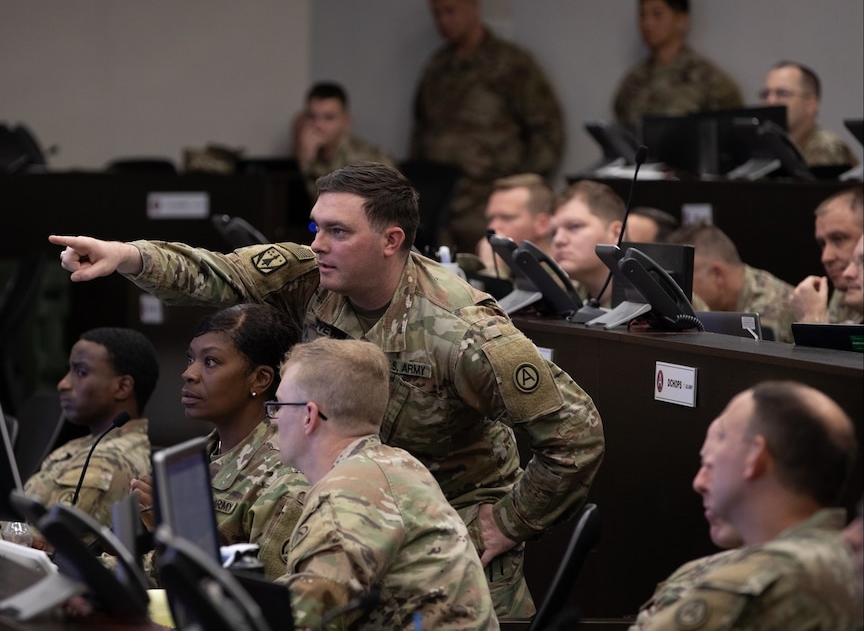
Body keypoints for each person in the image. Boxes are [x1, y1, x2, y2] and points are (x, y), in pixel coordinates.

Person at [50, 161, 606, 617]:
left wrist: (509, 521)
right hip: (353, 516)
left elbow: (576, 434)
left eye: (338, 232)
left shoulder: (462, 333)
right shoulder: (310, 278)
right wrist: (126, 256)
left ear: (391, 240)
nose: (318, 244)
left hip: (445, 538)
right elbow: (219, 272)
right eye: (316, 227)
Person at [272, 338, 498, 629]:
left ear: (309, 416)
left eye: (278, 404)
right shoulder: (397, 463)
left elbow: (303, 620)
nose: (275, 418)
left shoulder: (349, 495)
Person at [630, 380, 860, 629]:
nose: (698, 483)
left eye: (709, 463)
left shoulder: (755, 580)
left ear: (754, 456)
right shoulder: (847, 565)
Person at [133, 303, 308, 578]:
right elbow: (153, 569)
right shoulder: (193, 459)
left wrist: (169, 532)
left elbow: (262, 603)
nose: (189, 373)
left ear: (260, 379)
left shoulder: (285, 478)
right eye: (191, 358)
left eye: (210, 362)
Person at [411, 0, 565, 252]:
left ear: (474, 6)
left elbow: (547, 131)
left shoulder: (510, 64)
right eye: (437, 14)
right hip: (440, 208)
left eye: (450, 11)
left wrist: (521, 195)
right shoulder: (436, 69)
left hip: (490, 205)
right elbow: (421, 132)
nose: (443, 21)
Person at [23, 327, 158, 533]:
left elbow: (41, 544)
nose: (63, 384)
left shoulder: (105, 461)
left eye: (81, 372)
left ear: (122, 387)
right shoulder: (87, 443)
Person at [612, 0, 743, 136]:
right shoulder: (633, 80)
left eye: (657, 14)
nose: (647, 23)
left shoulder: (707, 78)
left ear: (682, 21)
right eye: (642, 15)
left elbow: (734, 131)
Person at [668, 223, 795, 342]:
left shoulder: (769, 306)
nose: (680, 287)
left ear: (717, 275)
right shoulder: (726, 301)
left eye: (686, 277)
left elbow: (750, 360)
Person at [294, 81, 396, 199]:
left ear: (345, 121)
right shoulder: (307, 153)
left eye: (328, 118)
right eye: (311, 117)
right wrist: (305, 162)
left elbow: (333, 206)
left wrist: (307, 165)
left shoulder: (369, 159)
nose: (318, 125)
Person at [760, 61, 858, 167]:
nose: (771, 101)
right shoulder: (770, 145)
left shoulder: (825, 147)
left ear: (810, 104)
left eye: (782, 93)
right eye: (766, 94)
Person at [790, 186, 864, 325]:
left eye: (839, 238)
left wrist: (813, 320)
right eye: (822, 244)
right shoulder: (842, 293)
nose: (826, 257)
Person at [550, 180, 624, 304]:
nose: (558, 240)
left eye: (574, 226)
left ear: (616, 233)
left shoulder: (645, 312)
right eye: (553, 232)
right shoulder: (559, 298)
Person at [474, 173, 555, 279]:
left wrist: (493, 268)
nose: (493, 227)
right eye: (490, 219)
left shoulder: (563, 279)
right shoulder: (513, 270)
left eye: (507, 218)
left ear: (542, 224)